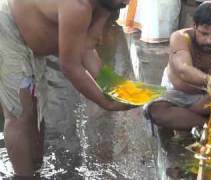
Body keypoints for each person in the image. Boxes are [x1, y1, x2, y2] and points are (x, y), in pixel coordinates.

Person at [0, 0, 133, 178]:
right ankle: (24, 176)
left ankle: (36, 167)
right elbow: (71, 67)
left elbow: (86, 48)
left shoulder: (104, 5)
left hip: (29, 36)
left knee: (36, 108)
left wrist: (116, 88)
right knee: (20, 114)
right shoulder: (77, 6)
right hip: (8, 29)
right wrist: (104, 102)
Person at [145, 1, 211, 131]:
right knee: (156, 111)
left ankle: (185, 117)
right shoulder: (180, 37)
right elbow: (183, 68)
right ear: (194, 26)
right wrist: (208, 80)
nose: (209, 40)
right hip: (178, 94)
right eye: (204, 34)